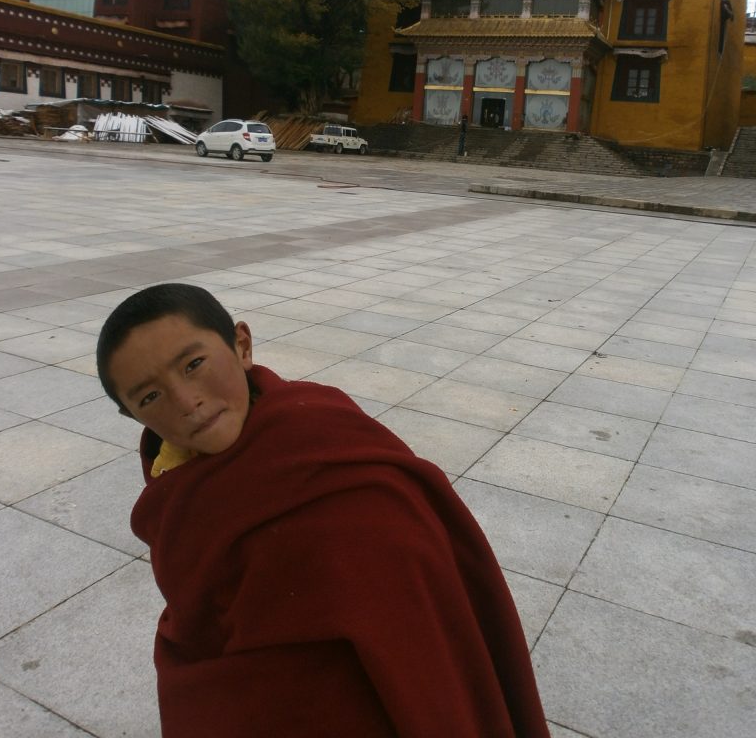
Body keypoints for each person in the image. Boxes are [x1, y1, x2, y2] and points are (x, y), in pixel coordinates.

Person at [97, 283, 550, 738]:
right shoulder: (170, 478)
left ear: (241, 345)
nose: (185, 402)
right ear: (131, 414)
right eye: (150, 397)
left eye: (194, 365)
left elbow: (418, 621)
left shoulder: (327, 438)